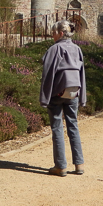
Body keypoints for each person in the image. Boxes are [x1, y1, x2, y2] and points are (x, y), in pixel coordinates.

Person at [40, 20, 86, 176]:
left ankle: (61, 166)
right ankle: (79, 164)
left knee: (57, 127)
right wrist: (82, 97)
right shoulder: (77, 49)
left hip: (57, 92)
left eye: (53, 33)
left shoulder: (55, 49)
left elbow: (48, 74)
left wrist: (44, 98)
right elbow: (82, 75)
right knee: (73, 125)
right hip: (74, 91)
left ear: (60, 33)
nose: (52, 36)